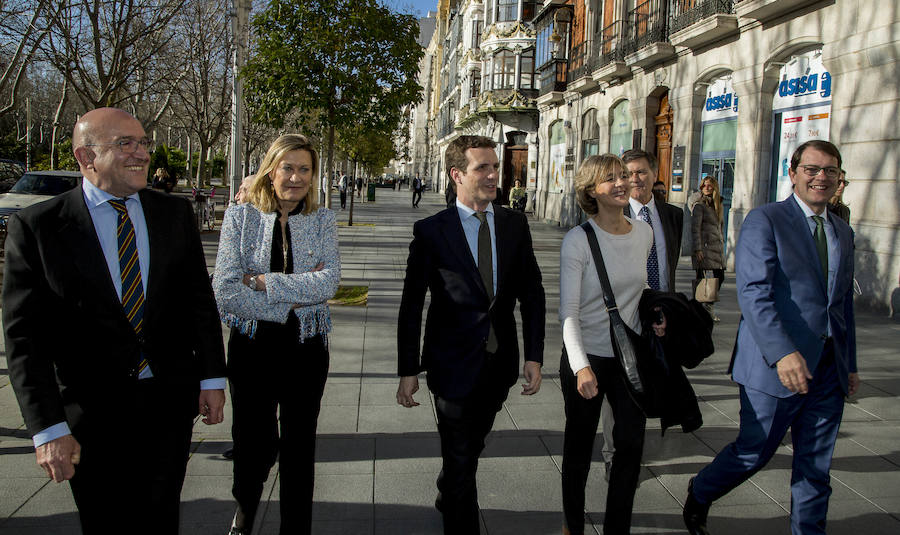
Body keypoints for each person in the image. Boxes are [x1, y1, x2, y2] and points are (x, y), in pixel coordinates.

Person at [3, 107, 227, 533]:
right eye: (126, 144)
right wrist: (48, 428)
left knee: (161, 519)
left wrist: (212, 379)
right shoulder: (38, 228)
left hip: (168, 404)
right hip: (90, 415)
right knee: (105, 522)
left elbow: (199, 302)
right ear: (87, 157)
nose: (142, 154)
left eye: (143, 143)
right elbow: (24, 340)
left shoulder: (173, 215)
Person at [683, 140, 858, 535]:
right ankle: (702, 490)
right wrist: (783, 354)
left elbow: (841, 305)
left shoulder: (842, 232)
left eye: (830, 171)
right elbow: (754, 293)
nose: (821, 177)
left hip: (828, 368)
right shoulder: (767, 219)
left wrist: (850, 364)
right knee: (754, 453)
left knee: (816, 466)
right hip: (772, 366)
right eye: (812, 169)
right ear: (793, 173)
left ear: (839, 179)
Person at [396, 135, 546, 534]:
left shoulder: (515, 225)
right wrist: (408, 367)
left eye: (495, 166)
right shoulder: (431, 231)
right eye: (483, 167)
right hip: (451, 365)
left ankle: (449, 484)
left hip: (499, 366)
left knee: (470, 449)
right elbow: (411, 304)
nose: (494, 174)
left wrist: (535, 355)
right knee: (462, 455)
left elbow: (532, 292)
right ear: (457, 174)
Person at [213, 134, 340, 535]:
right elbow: (226, 290)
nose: (297, 177)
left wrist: (265, 283)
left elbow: (330, 281)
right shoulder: (241, 217)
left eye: (305, 169)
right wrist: (297, 291)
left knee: (300, 447)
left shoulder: (323, 219)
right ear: (270, 169)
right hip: (253, 347)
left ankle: (296, 526)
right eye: (288, 167)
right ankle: (245, 508)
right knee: (252, 442)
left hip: (307, 347)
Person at [559, 154, 666, 535]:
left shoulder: (644, 233)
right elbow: (568, 311)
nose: (622, 183)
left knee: (630, 447)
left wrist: (658, 312)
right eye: (611, 179)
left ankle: (617, 528)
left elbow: (642, 289)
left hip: (629, 357)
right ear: (591, 190)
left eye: (623, 176)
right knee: (578, 449)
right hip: (586, 355)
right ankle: (573, 524)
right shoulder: (578, 240)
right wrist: (581, 367)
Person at [590, 148, 684, 476]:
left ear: (655, 174)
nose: (634, 180)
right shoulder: (611, 217)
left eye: (641, 172)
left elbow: (668, 266)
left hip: (659, 318)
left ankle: (634, 448)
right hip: (624, 317)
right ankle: (615, 457)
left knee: (648, 384)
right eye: (627, 174)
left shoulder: (673, 216)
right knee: (621, 388)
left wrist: (668, 309)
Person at [691, 176, 726, 322]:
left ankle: (704, 307)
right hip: (704, 249)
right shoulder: (700, 206)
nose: (706, 188)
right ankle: (703, 309)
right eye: (704, 186)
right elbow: (695, 229)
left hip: (716, 249)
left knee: (718, 278)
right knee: (703, 280)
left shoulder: (718, 206)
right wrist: (698, 249)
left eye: (709, 186)